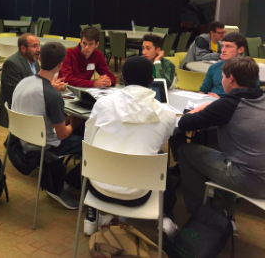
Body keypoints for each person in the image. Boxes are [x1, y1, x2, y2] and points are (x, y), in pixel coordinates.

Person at [84, 56, 177, 236]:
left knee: (96, 150)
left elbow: (88, 142)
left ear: (122, 80)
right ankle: (167, 217)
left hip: (97, 188)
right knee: (158, 156)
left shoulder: (103, 104)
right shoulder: (168, 114)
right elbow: (160, 144)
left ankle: (91, 215)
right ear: (151, 81)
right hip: (138, 195)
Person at [177, 57, 265, 216]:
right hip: (259, 172)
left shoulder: (229, 104)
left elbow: (184, 123)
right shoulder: (261, 97)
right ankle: (223, 209)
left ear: (231, 78)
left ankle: (199, 212)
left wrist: (205, 107)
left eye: (223, 76)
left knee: (185, 150)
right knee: (221, 151)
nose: (222, 80)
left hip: (252, 182)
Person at [11, 42, 81, 209]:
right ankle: (62, 185)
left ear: (40, 58)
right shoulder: (52, 95)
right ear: (60, 65)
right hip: (43, 147)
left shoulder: (24, 82)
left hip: (20, 141)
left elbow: (38, 115)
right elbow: (63, 135)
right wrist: (75, 123)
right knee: (89, 144)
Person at [0, 33, 66, 127]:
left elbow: (37, 83)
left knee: (59, 115)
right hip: (18, 111)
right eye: (35, 46)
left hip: (33, 106)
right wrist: (50, 88)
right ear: (23, 48)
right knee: (60, 118)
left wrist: (50, 84)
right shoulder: (12, 63)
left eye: (39, 45)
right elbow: (19, 92)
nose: (39, 50)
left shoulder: (34, 62)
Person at [200, 32, 250, 97]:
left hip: (233, 104)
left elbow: (250, 98)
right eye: (222, 46)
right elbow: (203, 90)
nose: (223, 50)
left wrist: (220, 100)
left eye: (228, 46)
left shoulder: (249, 70)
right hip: (211, 102)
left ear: (240, 49)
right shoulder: (214, 67)